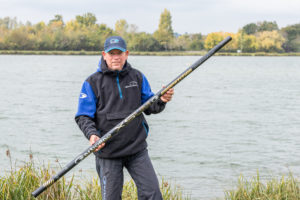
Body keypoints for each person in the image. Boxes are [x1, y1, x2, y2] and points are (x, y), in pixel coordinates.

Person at [75, 36, 174, 200]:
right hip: (108, 152)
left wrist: (162, 100)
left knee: (153, 195)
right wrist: (92, 135)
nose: (116, 57)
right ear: (104, 55)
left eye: (119, 53)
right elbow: (83, 116)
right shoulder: (92, 82)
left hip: (137, 149)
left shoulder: (137, 77)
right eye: (111, 53)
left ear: (126, 54)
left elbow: (150, 106)